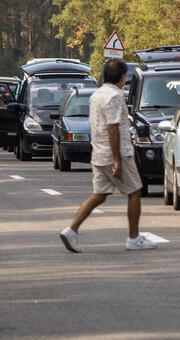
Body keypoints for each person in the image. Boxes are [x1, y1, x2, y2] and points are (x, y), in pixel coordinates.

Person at [60, 58, 157, 253]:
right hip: (117, 152)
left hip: (98, 152)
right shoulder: (115, 96)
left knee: (99, 195)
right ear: (121, 76)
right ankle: (133, 238)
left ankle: (71, 230)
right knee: (135, 191)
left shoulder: (96, 95)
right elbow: (113, 128)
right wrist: (117, 160)